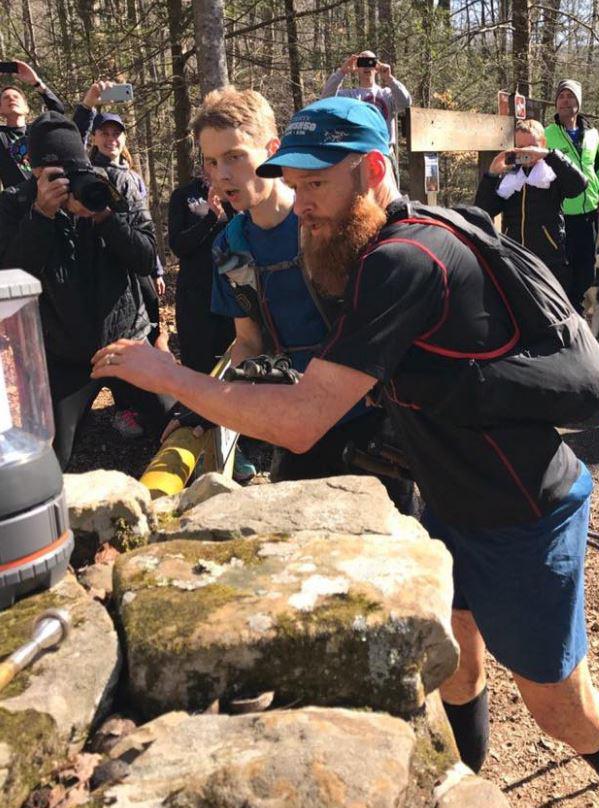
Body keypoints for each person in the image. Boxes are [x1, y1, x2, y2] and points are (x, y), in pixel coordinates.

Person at [93, 97, 599, 808]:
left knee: (565, 713)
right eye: (294, 184)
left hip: (521, 514)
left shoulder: (403, 260)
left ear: (372, 171)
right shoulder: (384, 242)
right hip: (448, 499)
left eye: (316, 185)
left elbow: (304, 420)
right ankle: (467, 791)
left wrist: (167, 376)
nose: (300, 203)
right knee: (459, 672)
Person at [177, 87, 413, 507]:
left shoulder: (333, 220)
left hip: (372, 424)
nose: (222, 175)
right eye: (212, 163)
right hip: (293, 426)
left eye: (235, 156)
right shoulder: (230, 246)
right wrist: (213, 399)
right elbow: (248, 339)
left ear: (272, 151)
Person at [0, 112, 171, 469]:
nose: (68, 183)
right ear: (35, 172)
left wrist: (104, 216)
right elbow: (12, 279)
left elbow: (145, 257)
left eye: (73, 172)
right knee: (49, 455)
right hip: (65, 356)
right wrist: (41, 217)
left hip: (126, 343)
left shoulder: (111, 187)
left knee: (176, 424)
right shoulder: (15, 205)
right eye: (56, 175)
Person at [75, 85, 168, 436]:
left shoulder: (132, 177)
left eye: (117, 134)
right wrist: (87, 106)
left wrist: (156, 267)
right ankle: (124, 405)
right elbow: (71, 148)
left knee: (146, 324)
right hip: (98, 277)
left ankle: (137, 401)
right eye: (105, 133)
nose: (111, 139)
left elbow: (145, 229)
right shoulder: (87, 171)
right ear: (95, 137)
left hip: (135, 267)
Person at [475, 118, 587, 295]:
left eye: (531, 146)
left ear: (542, 144)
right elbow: (483, 210)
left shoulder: (552, 174)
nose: (526, 152)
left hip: (549, 260)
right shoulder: (509, 177)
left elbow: (579, 185)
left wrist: (549, 155)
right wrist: (491, 174)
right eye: (520, 147)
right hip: (514, 257)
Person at [545, 80, 599, 312]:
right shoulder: (548, 134)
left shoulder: (591, 134)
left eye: (570, 96)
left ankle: (576, 310)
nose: (565, 100)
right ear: (556, 103)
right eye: (561, 96)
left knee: (586, 270)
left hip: (590, 211)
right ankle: (568, 313)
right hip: (562, 213)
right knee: (565, 269)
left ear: (578, 103)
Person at [168, 170, 236, 374]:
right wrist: (211, 218)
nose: (216, 167)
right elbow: (178, 245)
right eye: (211, 161)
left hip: (231, 292)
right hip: (195, 295)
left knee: (231, 365)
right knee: (198, 364)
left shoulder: (235, 194)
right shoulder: (183, 195)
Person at [321, 50, 411, 155]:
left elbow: (405, 102)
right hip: (358, 152)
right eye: (362, 62)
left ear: (376, 67)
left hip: (385, 152)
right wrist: (342, 72)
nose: (366, 66)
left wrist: (389, 78)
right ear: (357, 68)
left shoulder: (386, 94)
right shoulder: (350, 96)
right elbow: (325, 99)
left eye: (370, 62)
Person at [0, 60, 65, 190]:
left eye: (16, 97)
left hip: (50, 195)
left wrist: (36, 83)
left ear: (27, 108)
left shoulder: (39, 130)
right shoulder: (1, 136)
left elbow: (57, 111)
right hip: (17, 204)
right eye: (6, 98)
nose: (12, 99)